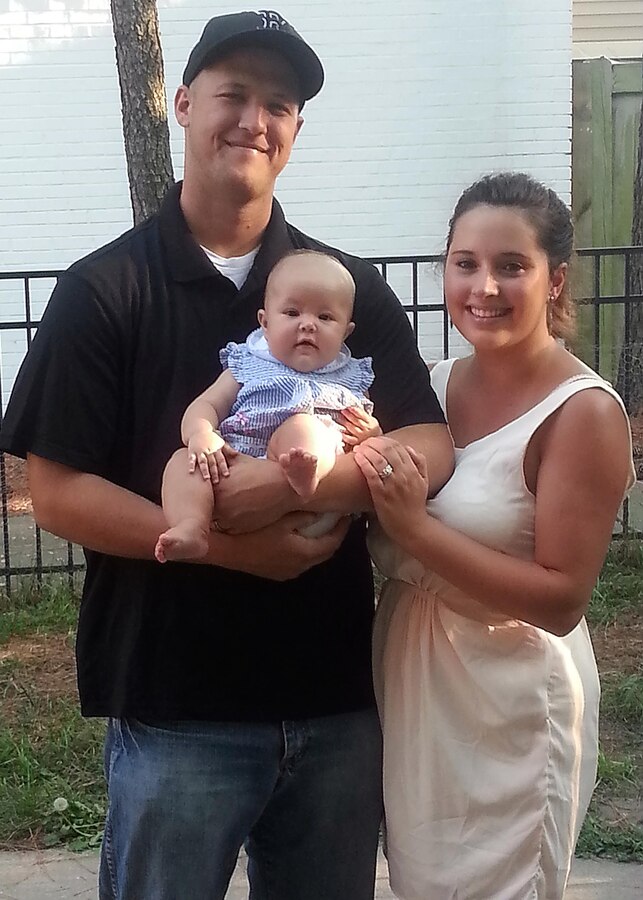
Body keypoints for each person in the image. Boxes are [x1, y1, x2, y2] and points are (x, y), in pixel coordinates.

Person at [0, 10, 454, 900]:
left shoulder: (342, 287)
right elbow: (53, 493)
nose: (253, 119)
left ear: (294, 130)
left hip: (334, 697)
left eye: (276, 103)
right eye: (232, 94)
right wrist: (232, 538)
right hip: (177, 709)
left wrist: (323, 487)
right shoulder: (105, 289)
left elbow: (430, 442)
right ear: (180, 104)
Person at [353, 172, 637, 900]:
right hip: (417, 686)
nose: (483, 286)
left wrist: (412, 527)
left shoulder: (582, 414)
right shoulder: (430, 387)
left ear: (554, 280)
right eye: (465, 263)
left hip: (510, 702)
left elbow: (560, 598)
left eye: (511, 266)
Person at [156, 249, 382, 563]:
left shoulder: (352, 375)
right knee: (183, 462)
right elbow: (206, 404)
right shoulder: (248, 362)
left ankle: (303, 475)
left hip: (310, 497)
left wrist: (372, 433)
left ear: (346, 331)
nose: (308, 325)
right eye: (292, 313)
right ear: (264, 322)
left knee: (303, 427)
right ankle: (191, 525)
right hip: (234, 466)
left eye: (325, 317)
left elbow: (370, 436)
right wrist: (201, 435)